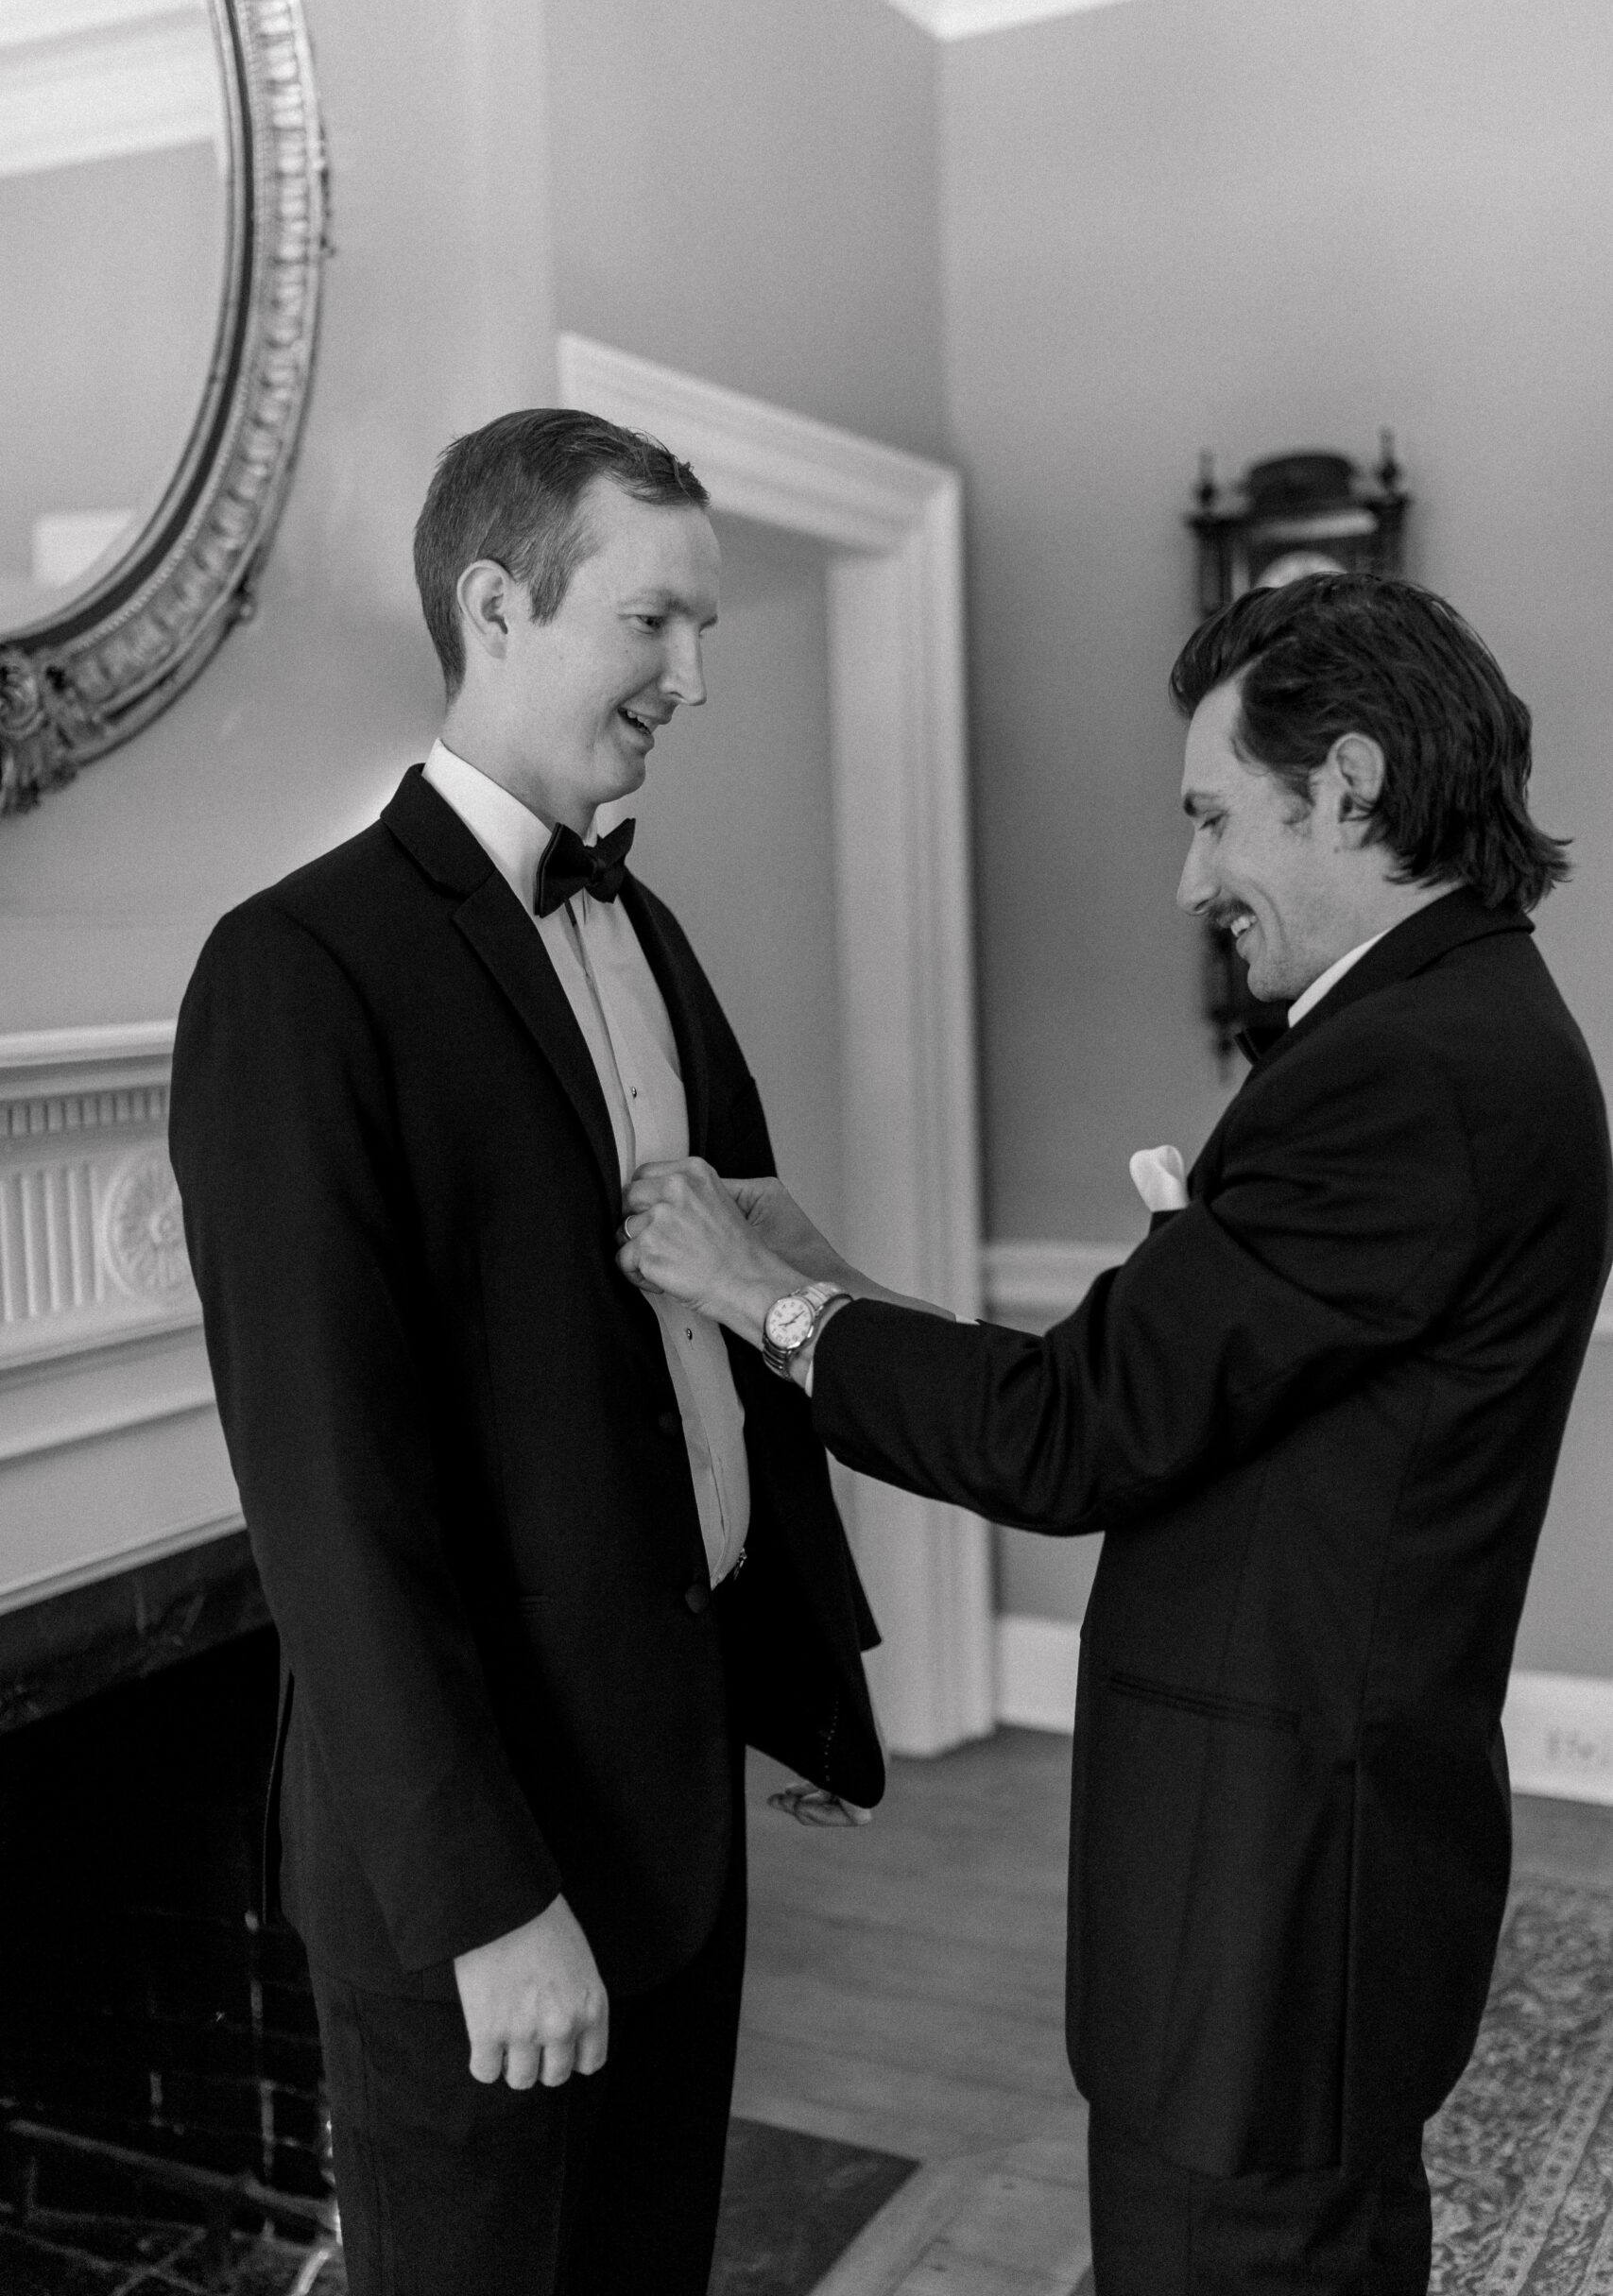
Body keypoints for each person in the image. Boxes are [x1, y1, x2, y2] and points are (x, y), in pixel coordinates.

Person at [618, 572, 1613, 2296]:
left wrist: (757, 1304)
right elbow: (1142, 1399)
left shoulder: (1405, 1076)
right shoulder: (1454, 1033)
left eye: (1215, 816)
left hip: (1273, 1900)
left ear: (1351, 786)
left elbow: (1067, 1443)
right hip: (1314, 1873)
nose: (1193, 876)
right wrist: (823, 1280)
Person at [168, 408, 884, 2296]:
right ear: (497, 601)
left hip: (675, 1804)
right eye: (655, 621)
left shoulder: (643, 925)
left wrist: (793, 1655)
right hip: (477, 1867)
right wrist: (490, 1903)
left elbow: (734, 1297)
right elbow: (330, 1493)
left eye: (700, 630)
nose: (692, 679)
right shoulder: (295, 973)